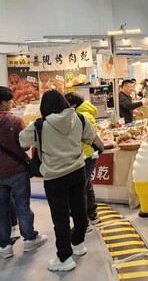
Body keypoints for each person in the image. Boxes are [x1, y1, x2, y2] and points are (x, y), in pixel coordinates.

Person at [19, 90, 96, 271]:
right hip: (77, 170)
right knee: (79, 209)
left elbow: (22, 141)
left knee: (60, 219)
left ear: (44, 106)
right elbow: (90, 136)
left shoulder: (40, 125)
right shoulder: (78, 118)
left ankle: (64, 258)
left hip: (55, 177)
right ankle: (78, 244)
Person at [0, 87, 48, 259]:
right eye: (11, 101)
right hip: (17, 170)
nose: (13, 103)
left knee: (1, 209)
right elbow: (25, 145)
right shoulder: (15, 121)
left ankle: (4, 245)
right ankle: (29, 239)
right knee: (22, 206)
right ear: (4, 102)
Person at [64, 92, 101, 228]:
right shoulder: (83, 113)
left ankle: (84, 221)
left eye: (66, 103)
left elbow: (80, 136)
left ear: (73, 104)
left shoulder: (79, 116)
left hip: (85, 155)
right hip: (89, 154)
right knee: (87, 185)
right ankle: (92, 214)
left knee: (81, 188)